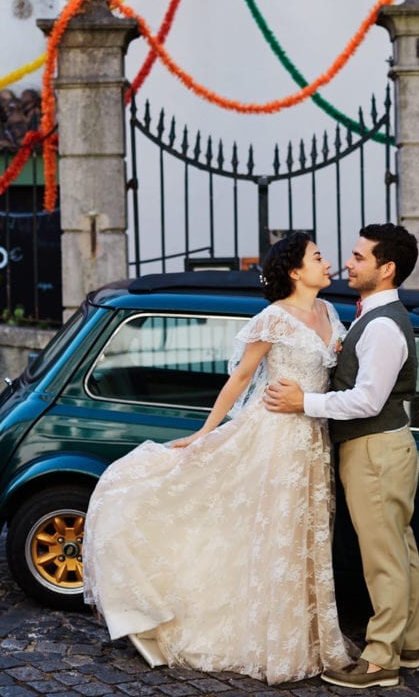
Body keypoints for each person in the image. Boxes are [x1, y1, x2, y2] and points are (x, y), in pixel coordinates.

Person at [82, 232, 356, 684]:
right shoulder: (274, 319)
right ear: (294, 271)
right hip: (275, 439)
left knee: (305, 536)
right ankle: (262, 639)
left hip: (314, 441)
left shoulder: (329, 312)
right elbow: (241, 377)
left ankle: (306, 636)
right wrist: (206, 434)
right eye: (318, 257)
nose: (327, 263)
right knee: (276, 536)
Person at [264, 222, 419, 689]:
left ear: (386, 268)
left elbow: (367, 401)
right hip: (383, 446)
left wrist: (303, 404)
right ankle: (406, 645)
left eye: (359, 257)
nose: (347, 264)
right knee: (400, 550)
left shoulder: (384, 326)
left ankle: (379, 662)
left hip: (375, 448)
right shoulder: (372, 318)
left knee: (384, 558)